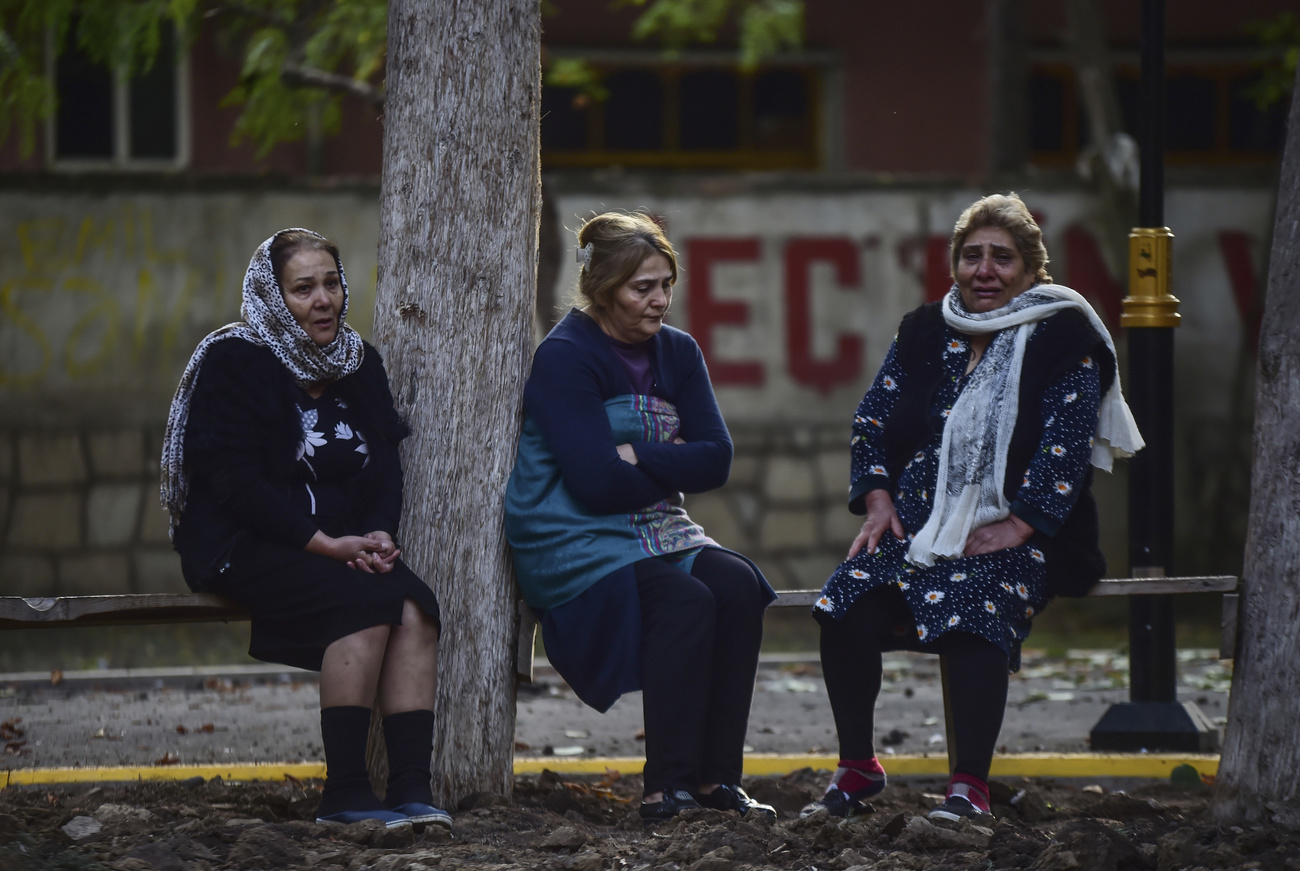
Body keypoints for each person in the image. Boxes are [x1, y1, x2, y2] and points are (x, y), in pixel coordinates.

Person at [804, 193, 1144, 822]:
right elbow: (871, 420)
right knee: (845, 600)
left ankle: (969, 788)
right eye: (972, 255)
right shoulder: (925, 330)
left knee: (974, 608)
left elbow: (1065, 446)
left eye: (1003, 257)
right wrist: (878, 500)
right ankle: (857, 768)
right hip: (920, 530)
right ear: (954, 263)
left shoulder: (1065, 334)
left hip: (1026, 536)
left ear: (1031, 269)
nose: (985, 269)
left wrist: (1017, 524)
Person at [161, 229, 450, 830]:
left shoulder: (357, 362)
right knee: (366, 602)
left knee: (416, 607)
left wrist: (378, 536)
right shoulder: (236, 359)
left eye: (331, 283)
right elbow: (234, 485)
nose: (323, 300)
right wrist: (327, 545)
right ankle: (344, 794)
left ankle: (412, 792)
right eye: (303, 289)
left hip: (340, 546)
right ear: (273, 296)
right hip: (242, 542)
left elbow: (385, 469)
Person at [505, 211, 777, 823]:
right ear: (603, 291)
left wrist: (637, 454)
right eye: (642, 288)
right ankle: (667, 790)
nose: (661, 300)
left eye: (665, 284)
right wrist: (670, 460)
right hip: (569, 534)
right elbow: (596, 485)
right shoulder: (566, 356)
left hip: (652, 527)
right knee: (685, 602)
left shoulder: (677, 352)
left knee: (736, 585)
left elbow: (717, 461)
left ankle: (715, 783)